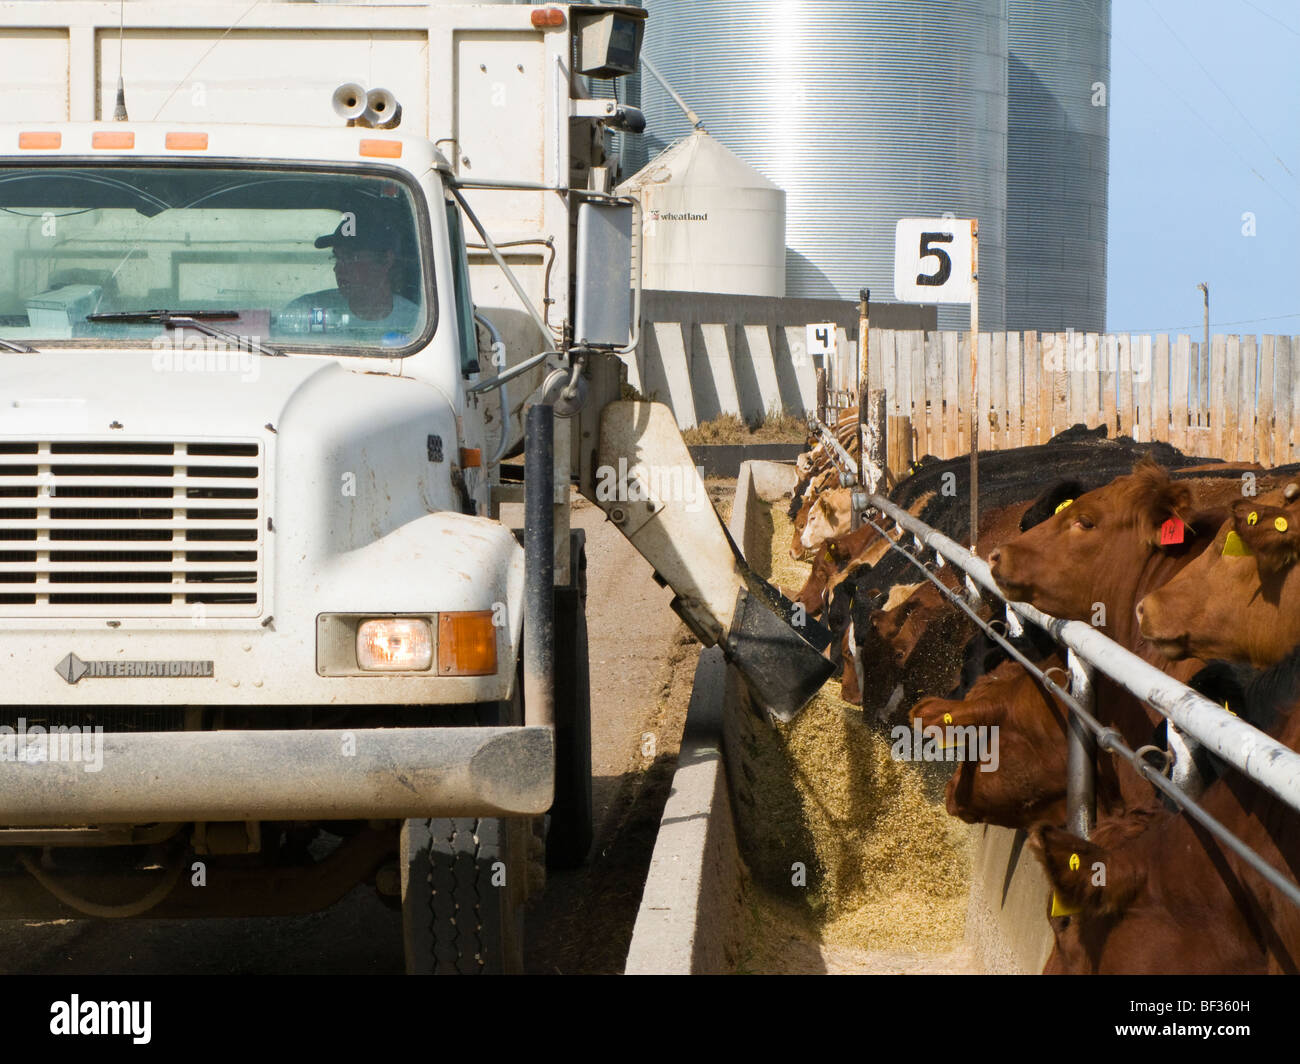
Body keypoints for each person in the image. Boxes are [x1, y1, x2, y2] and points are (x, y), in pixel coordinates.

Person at [282, 213, 420, 340]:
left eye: (350, 257)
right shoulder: (307, 311)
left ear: (386, 260)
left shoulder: (417, 323)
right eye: (336, 257)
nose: (338, 268)